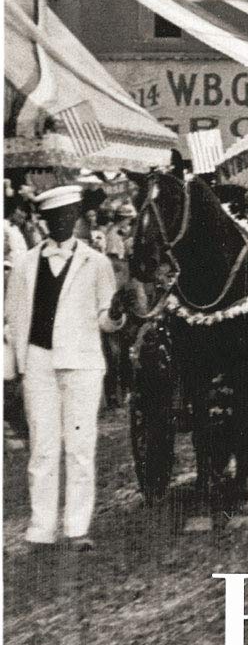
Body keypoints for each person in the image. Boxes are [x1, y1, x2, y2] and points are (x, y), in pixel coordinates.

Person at [5, 185, 120, 550]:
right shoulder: (25, 264)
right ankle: (41, 528)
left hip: (82, 364)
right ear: (44, 221)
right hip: (38, 362)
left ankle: (76, 528)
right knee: (42, 447)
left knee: (80, 446)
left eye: (67, 216)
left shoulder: (96, 263)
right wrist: (17, 367)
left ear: (76, 219)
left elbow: (106, 320)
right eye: (53, 218)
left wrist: (116, 313)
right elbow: (14, 316)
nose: (61, 223)